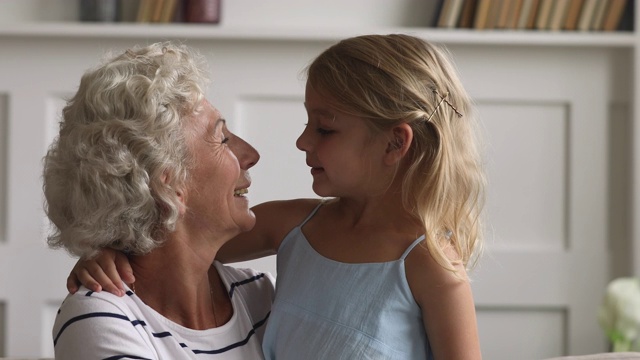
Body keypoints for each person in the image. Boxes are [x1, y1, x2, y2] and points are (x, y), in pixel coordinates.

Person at [68, 34, 486, 359]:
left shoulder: (431, 264)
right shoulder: (295, 226)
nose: (303, 142)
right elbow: (172, 245)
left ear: (395, 144)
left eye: (324, 129)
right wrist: (111, 255)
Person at [44, 41, 274, 359]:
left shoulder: (267, 297)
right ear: (171, 183)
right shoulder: (101, 319)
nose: (251, 155)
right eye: (222, 138)